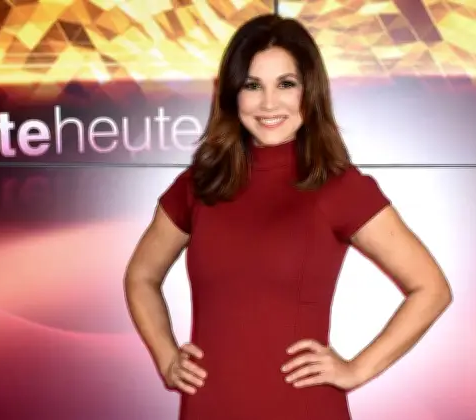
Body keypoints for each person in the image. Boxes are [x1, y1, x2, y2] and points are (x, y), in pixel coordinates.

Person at [124, 13, 452, 420]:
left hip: (302, 407)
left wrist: (356, 369)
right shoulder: (200, 184)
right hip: (209, 406)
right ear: (232, 93)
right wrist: (167, 357)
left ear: (309, 91)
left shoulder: (337, 186)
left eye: (285, 84)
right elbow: (141, 276)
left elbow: (431, 288)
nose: (268, 103)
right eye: (252, 86)